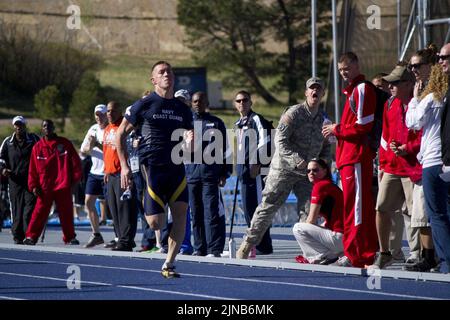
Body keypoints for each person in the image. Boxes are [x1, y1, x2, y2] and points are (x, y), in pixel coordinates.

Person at [115, 61, 194, 278]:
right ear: (154, 80)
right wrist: (124, 167)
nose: (167, 74)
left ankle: (169, 262)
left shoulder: (182, 109)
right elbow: (119, 134)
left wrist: (190, 139)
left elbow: (190, 137)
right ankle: (153, 210)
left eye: (169, 71)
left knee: (180, 214)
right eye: (162, 72)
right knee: (155, 222)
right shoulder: (145, 104)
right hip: (153, 168)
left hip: (177, 169)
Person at [237, 78, 331, 259]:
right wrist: (296, 159)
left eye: (318, 89)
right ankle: (248, 244)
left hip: (307, 173)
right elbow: (280, 140)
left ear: (323, 94)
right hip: (284, 169)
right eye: (311, 89)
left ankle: (309, 251)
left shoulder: (324, 119)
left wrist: (321, 165)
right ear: (306, 93)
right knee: (268, 207)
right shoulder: (294, 113)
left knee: (309, 210)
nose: (315, 92)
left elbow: (327, 146)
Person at [322, 52, 378, 268]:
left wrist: (338, 129)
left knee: (356, 208)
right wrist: (338, 131)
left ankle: (359, 255)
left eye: (347, 68)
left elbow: (364, 126)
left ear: (356, 66)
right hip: (347, 158)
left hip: (356, 158)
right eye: (340, 70)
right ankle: (357, 252)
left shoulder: (362, 89)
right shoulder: (352, 92)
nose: (344, 73)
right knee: (353, 206)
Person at [368, 63, 422, 269]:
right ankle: (385, 252)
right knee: (381, 208)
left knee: (413, 213)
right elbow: (385, 136)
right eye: (389, 83)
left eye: (394, 83)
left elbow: (425, 136)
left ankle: (417, 254)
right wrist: (383, 162)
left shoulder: (418, 104)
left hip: (412, 167)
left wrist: (407, 148)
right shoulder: (389, 104)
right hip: (391, 167)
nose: (390, 87)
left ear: (408, 84)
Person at [406, 61, 450, 273]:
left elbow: (412, 122)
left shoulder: (432, 98)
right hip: (447, 159)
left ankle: (447, 261)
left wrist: (414, 99)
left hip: (433, 161)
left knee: (437, 214)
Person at [186, 91, 231, 257]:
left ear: (206, 102)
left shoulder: (216, 123)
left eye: (200, 101)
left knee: (211, 212)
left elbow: (226, 150)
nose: (197, 103)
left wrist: (225, 172)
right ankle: (199, 247)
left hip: (210, 175)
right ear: (191, 103)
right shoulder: (186, 123)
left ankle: (214, 249)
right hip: (191, 176)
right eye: (194, 101)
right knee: (195, 214)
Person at [24, 119, 82, 245]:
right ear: (42, 129)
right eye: (44, 126)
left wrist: (75, 181)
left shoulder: (65, 144)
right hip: (44, 187)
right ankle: (31, 237)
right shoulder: (37, 147)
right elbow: (32, 170)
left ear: (53, 128)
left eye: (49, 126)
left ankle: (70, 237)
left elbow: (76, 164)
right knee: (39, 212)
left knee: (66, 212)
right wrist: (33, 186)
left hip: (63, 185)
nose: (47, 128)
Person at [292, 159, 344, 264]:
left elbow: (311, 220)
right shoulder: (329, 185)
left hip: (340, 238)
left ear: (325, 171)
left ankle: (322, 255)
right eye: (308, 171)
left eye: (315, 170)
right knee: (322, 224)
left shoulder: (320, 186)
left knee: (298, 228)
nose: (311, 173)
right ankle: (332, 254)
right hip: (345, 238)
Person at [103, 101, 137, 252]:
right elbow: (107, 151)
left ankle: (126, 240)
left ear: (120, 111)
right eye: (108, 111)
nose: (110, 113)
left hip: (122, 174)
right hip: (110, 174)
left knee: (125, 209)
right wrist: (106, 170)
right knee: (114, 209)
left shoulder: (125, 127)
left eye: (113, 110)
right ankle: (119, 238)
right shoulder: (108, 128)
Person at [0, 116, 40, 244]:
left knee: (29, 210)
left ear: (25, 126)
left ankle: (29, 236)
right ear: (13, 126)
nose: (18, 127)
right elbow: (1, 159)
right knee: (16, 211)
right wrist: (3, 169)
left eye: (21, 125)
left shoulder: (34, 140)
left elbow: (43, 155)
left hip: (31, 182)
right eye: (16, 125)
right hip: (14, 182)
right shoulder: (7, 142)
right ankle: (17, 236)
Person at [80, 104, 109, 248]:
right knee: (88, 202)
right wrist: (92, 145)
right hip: (95, 172)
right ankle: (96, 234)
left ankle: (119, 236)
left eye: (102, 114)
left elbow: (115, 149)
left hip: (108, 172)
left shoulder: (111, 129)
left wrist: (99, 144)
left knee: (113, 206)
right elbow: (83, 149)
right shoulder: (93, 129)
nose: (99, 117)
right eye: (97, 115)